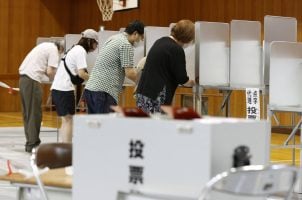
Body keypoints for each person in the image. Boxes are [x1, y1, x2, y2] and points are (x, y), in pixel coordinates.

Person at [84, 20, 145, 114]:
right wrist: (144, 83)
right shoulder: (126, 45)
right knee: (106, 126)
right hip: (104, 93)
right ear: (135, 33)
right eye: (141, 38)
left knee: (95, 126)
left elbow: (112, 65)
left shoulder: (113, 38)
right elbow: (130, 73)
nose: (140, 41)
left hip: (90, 89)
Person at [135, 19, 195, 114]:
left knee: (145, 125)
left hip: (143, 91)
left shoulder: (160, 41)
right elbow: (182, 79)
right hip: (157, 95)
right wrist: (193, 82)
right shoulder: (176, 49)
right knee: (157, 126)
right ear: (187, 37)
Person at [51, 29, 98, 142]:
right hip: (65, 89)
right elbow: (82, 73)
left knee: (65, 120)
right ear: (89, 41)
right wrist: (95, 80)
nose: (96, 46)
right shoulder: (80, 51)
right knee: (69, 120)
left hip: (57, 88)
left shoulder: (73, 49)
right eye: (96, 43)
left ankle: (64, 148)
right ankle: (67, 149)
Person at [19, 40, 64, 153]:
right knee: (35, 114)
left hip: (24, 79)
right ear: (61, 50)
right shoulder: (54, 50)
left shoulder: (44, 46)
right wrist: (57, 80)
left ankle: (30, 143)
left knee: (28, 114)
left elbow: (42, 73)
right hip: (32, 82)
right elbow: (50, 72)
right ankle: (33, 144)